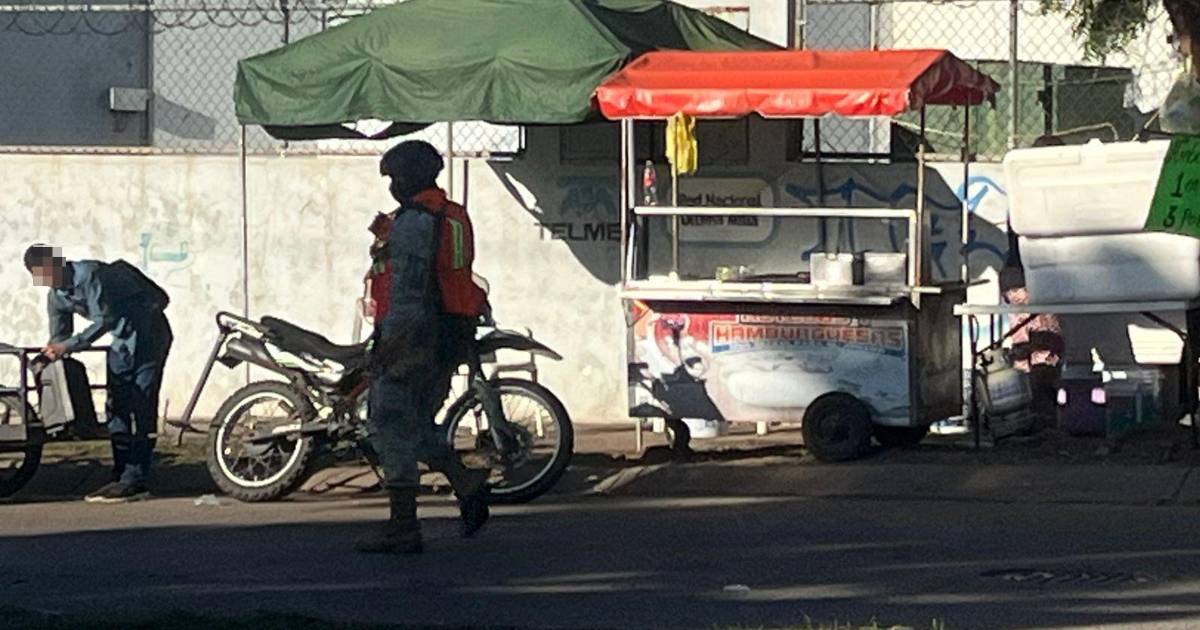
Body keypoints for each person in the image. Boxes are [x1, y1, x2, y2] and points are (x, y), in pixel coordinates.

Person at [357, 140, 489, 554]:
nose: (392, 186)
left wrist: (390, 343)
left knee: (389, 422)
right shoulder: (449, 214)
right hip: (446, 333)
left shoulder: (415, 222)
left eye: (395, 177)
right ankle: (466, 483)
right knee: (414, 423)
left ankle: (404, 526)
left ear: (410, 177)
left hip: (414, 335)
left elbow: (410, 291)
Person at [24, 245, 172, 503]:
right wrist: (49, 356)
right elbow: (59, 335)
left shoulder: (90, 275)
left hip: (149, 334)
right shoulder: (57, 296)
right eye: (41, 275)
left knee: (142, 403)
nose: (48, 278)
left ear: (58, 261)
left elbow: (105, 320)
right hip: (122, 342)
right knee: (116, 407)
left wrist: (67, 346)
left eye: (49, 269)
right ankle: (121, 473)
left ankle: (135, 478)